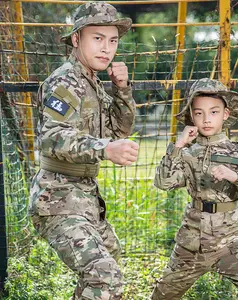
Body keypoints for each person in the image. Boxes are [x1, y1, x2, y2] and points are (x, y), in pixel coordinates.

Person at [29, 2, 139, 299]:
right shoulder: (66, 82)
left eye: (113, 40)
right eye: (97, 38)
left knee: (109, 263)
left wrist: (122, 89)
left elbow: (121, 129)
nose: (107, 48)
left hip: (85, 196)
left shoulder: (92, 82)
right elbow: (52, 137)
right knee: (103, 273)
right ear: (76, 39)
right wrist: (105, 148)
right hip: (57, 199)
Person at [151, 78, 238, 300]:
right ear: (192, 116)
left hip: (230, 242)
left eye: (214, 112)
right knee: (162, 296)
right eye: (199, 113)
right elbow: (163, 182)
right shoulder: (187, 152)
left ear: (226, 114)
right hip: (192, 243)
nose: (206, 119)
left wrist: (236, 176)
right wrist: (177, 147)